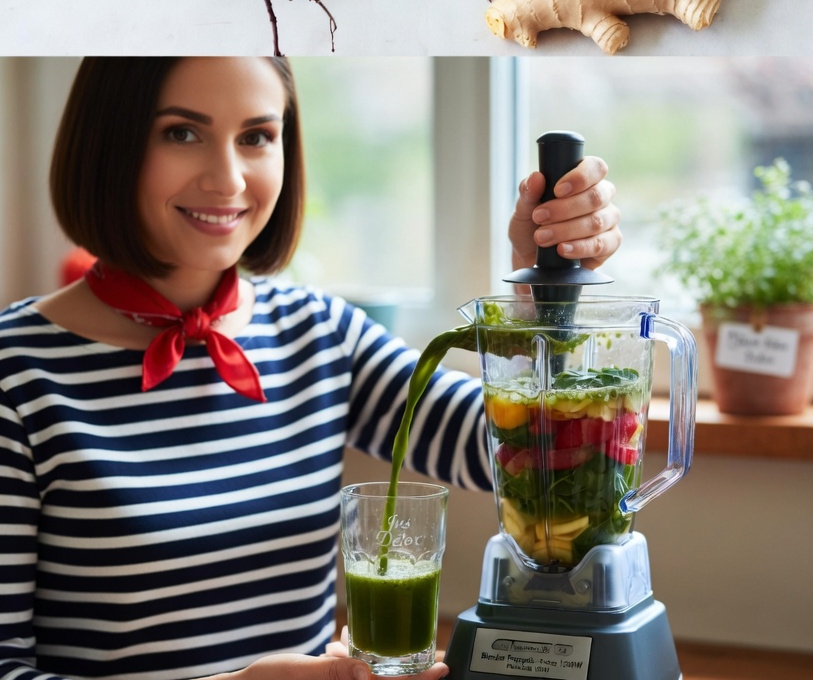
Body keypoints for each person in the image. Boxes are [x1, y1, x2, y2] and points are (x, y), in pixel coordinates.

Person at [0, 58, 621, 680]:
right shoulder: (17, 375)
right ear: (107, 141)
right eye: (182, 133)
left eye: (256, 136)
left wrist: (545, 285)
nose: (229, 180)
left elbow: (528, 456)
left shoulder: (320, 334)